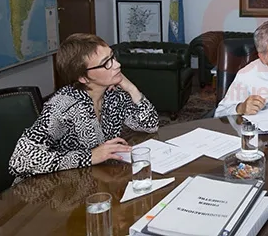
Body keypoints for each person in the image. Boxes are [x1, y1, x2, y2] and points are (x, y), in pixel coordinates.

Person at [9, 33, 159, 183]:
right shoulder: (63, 106)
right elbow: (20, 161)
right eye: (106, 63)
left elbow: (150, 126)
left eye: (113, 57)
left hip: (91, 181)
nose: (117, 65)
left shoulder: (113, 94)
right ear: (83, 78)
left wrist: (131, 88)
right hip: (49, 191)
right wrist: (90, 156)